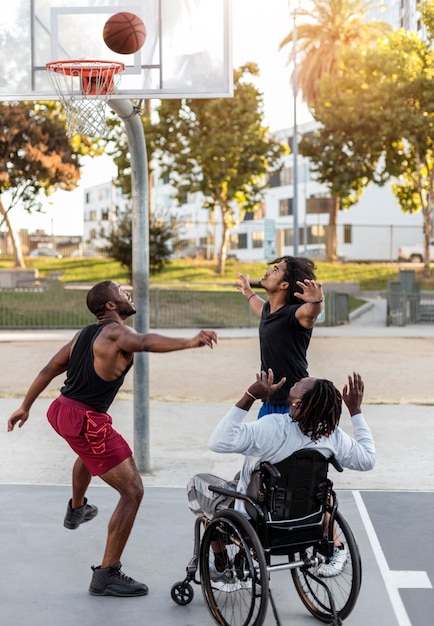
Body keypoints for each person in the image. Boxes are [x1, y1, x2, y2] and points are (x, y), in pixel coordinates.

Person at [7, 280, 218, 597]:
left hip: (62, 411)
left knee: (89, 455)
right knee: (133, 490)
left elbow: (51, 367)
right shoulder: (116, 332)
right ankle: (107, 574)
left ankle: (77, 508)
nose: (128, 294)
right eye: (122, 292)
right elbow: (145, 341)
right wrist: (189, 342)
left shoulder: (82, 336)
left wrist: (26, 405)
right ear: (109, 305)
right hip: (85, 419)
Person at [187, 369, 375, 577]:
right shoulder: (331, 436)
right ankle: (240, 557)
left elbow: (218, 441)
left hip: (258, 520)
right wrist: (356, 411)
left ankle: (222, 564)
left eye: (300, 384)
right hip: (307, 521)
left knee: (196, 485)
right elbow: (367, 460)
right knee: (242, 479)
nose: (296, 382)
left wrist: (249, 396)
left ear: (298, 403)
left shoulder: (273, 427)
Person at [236, 256, 324, 418]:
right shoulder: (268, 311)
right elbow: (259, 306)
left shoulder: (295, 314)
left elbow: (310, 313)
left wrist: (317, 302)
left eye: (275, 270)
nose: (268, 272)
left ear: (284, 284)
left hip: (293, 405)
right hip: (269, 403)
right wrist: (247, 291)